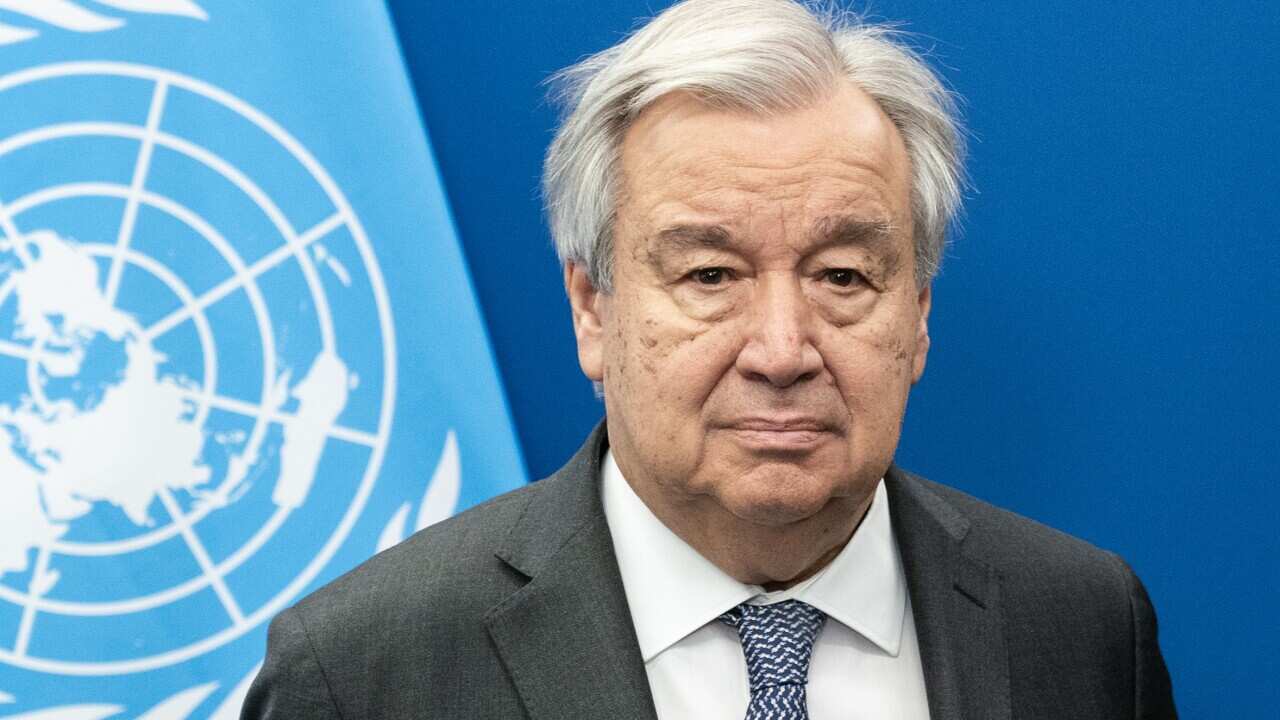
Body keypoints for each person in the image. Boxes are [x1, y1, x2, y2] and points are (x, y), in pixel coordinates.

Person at [241, 0, 1177, 717]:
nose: (781, 350)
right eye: (712, 273)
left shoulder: (1084, 627)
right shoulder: (365, 673)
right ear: (592, 309)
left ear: (919, 314)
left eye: (844, 275)